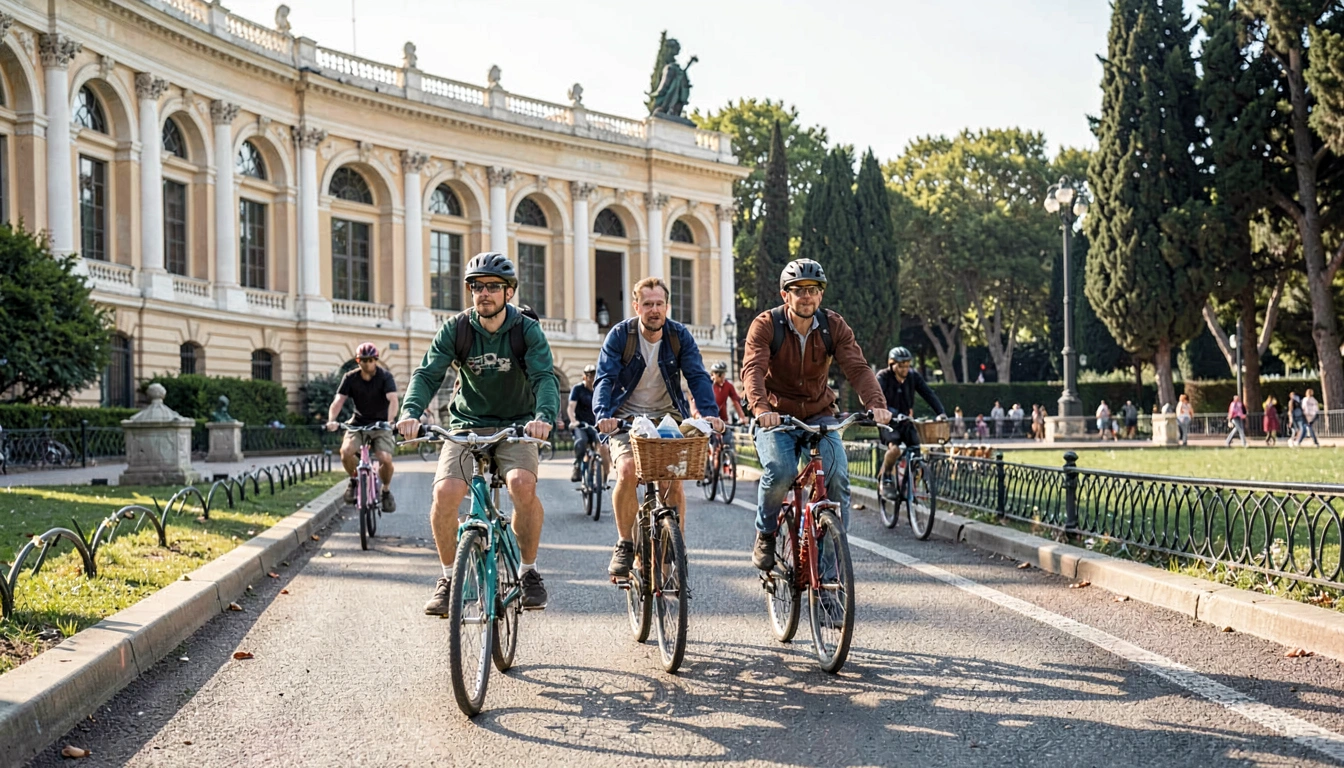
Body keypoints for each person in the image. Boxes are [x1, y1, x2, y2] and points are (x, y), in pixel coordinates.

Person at [395, 252, 560, 614]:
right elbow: (427, 374)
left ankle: (529, 571)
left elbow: (544, 378)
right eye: (476, 286)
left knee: (521, 485)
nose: (483, 293)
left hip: (517, 424)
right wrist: (410, 412)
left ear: (509, 292)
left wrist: (544, 416)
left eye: (492, 287)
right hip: (467, 425)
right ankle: (449, 578)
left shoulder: (525, 330)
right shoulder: (457, 329)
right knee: (445, 493)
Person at [740, 259, 892, 573]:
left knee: (836, 481)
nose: (806, 296)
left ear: (820, 295)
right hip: (776, 416)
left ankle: (829, 579)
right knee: (781, 472)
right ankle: (766, 532)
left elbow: (858, 368)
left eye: (813, 290)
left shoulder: (833, 325)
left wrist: (876, 403)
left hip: (820, 415)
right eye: (799, 291)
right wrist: (761, 409)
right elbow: (752, 370)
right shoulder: (766, 324)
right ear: (786, 295)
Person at [594, 277, 723, 577]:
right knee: (626, 471)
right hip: (626, 418)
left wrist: (709, 413)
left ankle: (672, 543)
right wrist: (603, 414)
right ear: (636, 306)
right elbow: (605, 379)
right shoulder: (620, 336)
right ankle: (626, 543)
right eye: (648, 304)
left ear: (667, 306)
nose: (654, 310)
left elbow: (698, 376)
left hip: (667, 416)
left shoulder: (679, 336)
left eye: (659, 304)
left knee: (672, 481)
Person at [326, 343, 398, 512]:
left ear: (376, 360)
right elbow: (338, 401)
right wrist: (332, 420)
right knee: (345, 452)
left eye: (371, 360)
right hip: (358, 423)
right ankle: (354, 480)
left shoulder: (385, 377)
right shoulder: (350, 377)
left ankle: (385, 490)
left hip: (381, 424)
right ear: (358, 361)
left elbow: (393, 400)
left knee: (385, 458)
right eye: (363, 360)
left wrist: (390, 420)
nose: (367, 363)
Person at [876, 346, 947, 501]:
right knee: (894, 449)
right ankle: (886, 477)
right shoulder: (883, 377)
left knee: (916, 450)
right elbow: (877, 400)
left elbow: (928, 393)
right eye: (901, 365)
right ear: (891, 365)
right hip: (888, 421)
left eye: (907, 365)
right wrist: (893, 413)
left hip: (907, 421)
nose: (905, 369)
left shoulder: (913, 377)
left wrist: (940, 412)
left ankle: (909, 485)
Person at [568, 364, 608, 482]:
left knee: (604, 448)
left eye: (594, 376)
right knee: (581, 442)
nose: (591, 379)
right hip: (581, 425)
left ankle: (604, 477)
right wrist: (573, 421)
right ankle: (577, 466)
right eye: (589, 376)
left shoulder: (600, 390)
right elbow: (571, 407)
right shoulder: (578, 389)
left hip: (597, 425)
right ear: (584, 377)